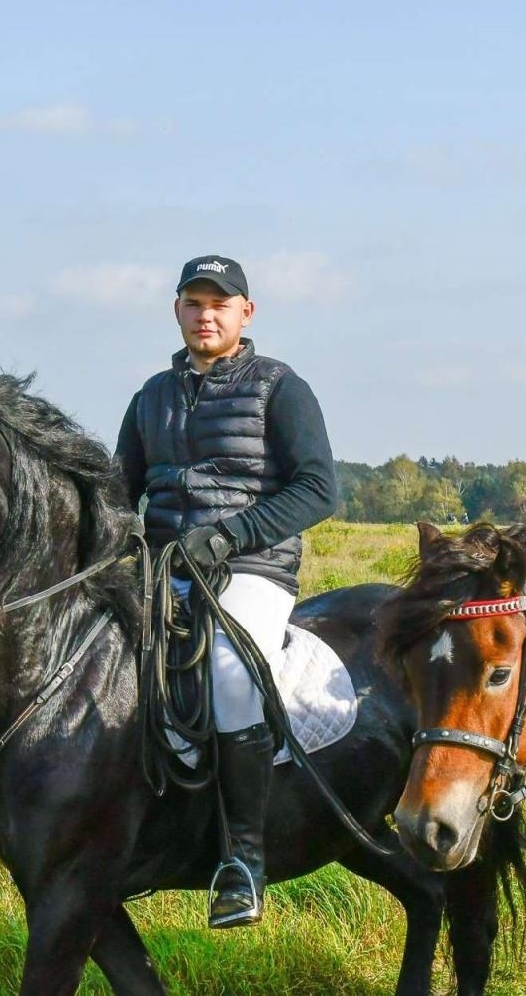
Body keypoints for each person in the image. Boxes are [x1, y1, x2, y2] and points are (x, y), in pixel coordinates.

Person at [115, 254, 338, 925]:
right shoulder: (150, 396)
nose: (205, 315)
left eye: (220, 303)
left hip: (251, 567)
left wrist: (230, 536)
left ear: (247, 312)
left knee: (229, 671)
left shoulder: (280, 387)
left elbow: (319, 488)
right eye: (193, 303)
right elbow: (116, 492)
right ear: (178, 310)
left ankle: (243, 863)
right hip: (163, 568)